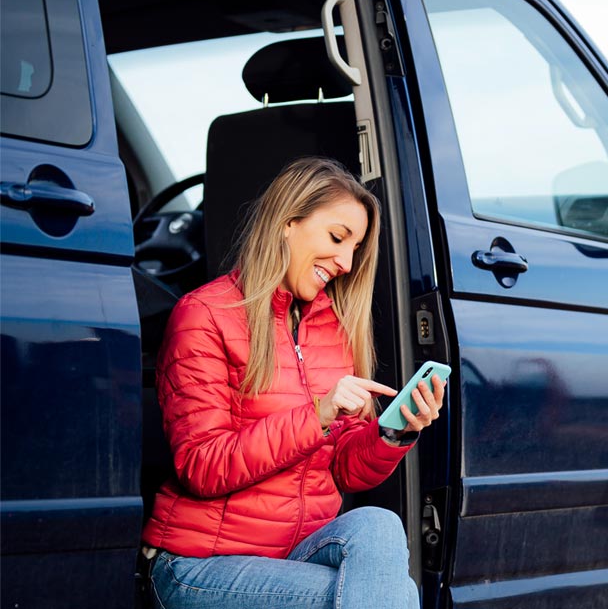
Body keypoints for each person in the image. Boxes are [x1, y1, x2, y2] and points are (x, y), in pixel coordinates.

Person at [142, 157, 440, 608]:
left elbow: (343, 470)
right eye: (338, 238)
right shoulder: (204, 315)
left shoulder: (333, 330)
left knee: (378, 524)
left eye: (355, 248)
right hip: (200, 564)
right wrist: (316, 415)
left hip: (292, 555)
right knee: (380, 596)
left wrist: (395, 431)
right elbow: (201, 466)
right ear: (287, 222)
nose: (345, 261)